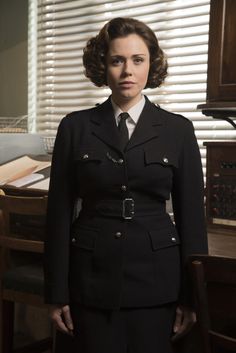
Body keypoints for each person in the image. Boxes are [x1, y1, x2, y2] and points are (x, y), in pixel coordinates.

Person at [44, 17, 208, 353]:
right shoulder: (74, 128)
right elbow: (57, 216)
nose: (127, 71)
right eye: (117, 60)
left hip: (157, 283)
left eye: (138, 60)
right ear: (102, 65)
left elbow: (192, 218)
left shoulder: (178, 130)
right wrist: (56, 294)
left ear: (152, 65)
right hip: (90, 280)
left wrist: (192, 298)